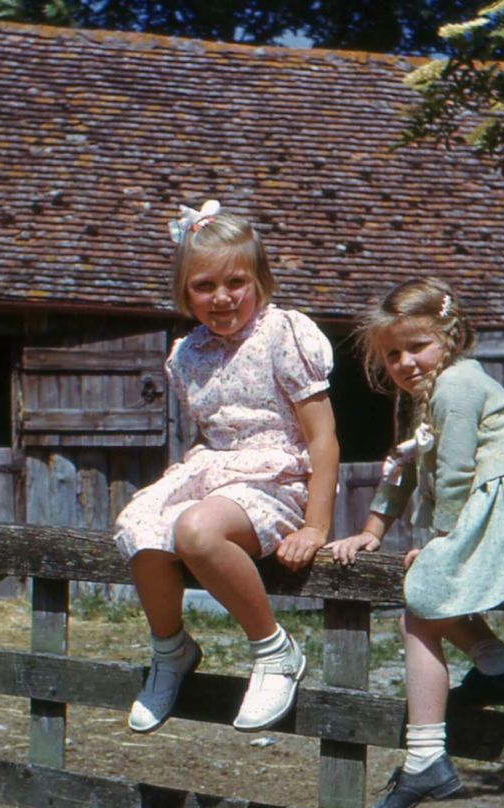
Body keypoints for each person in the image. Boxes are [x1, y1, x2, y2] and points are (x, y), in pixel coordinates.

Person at [329, 277, 504, 808]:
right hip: (488, 501)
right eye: (392, 354)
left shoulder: (457, 386)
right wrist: (373, 530)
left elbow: (459, 470)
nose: (405, 362)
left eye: (417, 347)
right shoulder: (420, 399)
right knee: (428, 600)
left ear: (452, 335)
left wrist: (442, 542)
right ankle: (495, 665)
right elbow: (406, 467)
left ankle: (426, 760)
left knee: (421, 605)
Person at [113, 201, 339, 734]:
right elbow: (211, 435)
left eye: (236, 281)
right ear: (184, 293)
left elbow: (323, 437)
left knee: (195, 530)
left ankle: (273, 648)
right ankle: (171, 649)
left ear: (260, 280)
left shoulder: (284, 333)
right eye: (204, 286)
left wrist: (317, 526)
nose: (222, 298)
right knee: (139, 528)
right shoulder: (187, 354)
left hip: (276, 483)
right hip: (218, 476)